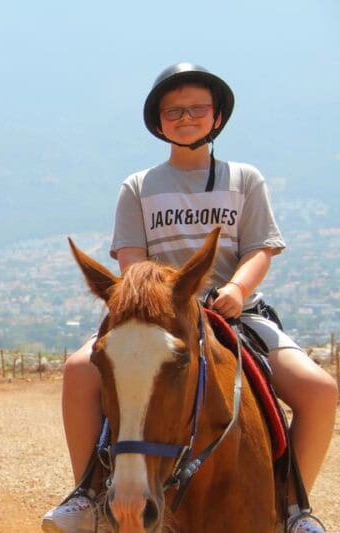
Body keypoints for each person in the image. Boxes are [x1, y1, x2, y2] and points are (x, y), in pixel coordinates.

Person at [42, 63, 337, 533]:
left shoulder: (245, 178)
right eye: (173, 111)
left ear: (217, 116)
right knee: (80, 370)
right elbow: (133, 262)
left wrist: (238, 289)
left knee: (320, 391)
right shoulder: (138, 186)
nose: (185, 117)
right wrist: (166, 301)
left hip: (235, 311)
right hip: (161, 314)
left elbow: (262, 246)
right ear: (158, 122)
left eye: (197, 108)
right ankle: (88, 493)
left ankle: (292, 506)